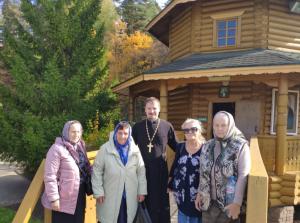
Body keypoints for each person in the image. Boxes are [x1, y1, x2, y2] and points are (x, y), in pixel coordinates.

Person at [195, 111, 251, 223]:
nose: (219, 128)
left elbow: (243, 175)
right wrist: (199, 193)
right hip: (208, 204)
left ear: (230, 125)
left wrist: (237, 203)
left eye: (223, 125)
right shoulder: (207, 145)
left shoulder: (240, 146)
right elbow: (203, 172)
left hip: (229, 205)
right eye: (216, 125)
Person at [132, 97, 178, 223]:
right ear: (145, 110)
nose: (151, 111)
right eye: (149, 109)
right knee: (145, 200)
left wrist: (173, 173)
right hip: (142, 171)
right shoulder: (137, 127)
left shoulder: (167, 126)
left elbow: (178, 149)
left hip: (160, 171)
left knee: (160, 202)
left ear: (159, 110)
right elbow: (128, 148)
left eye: (154, 108)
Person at [91, 121, 147, 223]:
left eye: (125, 133)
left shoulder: (135, 150)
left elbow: (141, 171)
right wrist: (98, 192)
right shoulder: (105, 149)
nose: (122, 136)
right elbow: (97, 171)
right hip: (110, 195)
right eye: (120, 133)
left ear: (129, 134)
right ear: (115, 132)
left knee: (127, 219)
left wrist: (141, 191)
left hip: (130, 196)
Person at [42, 120, 92, 223]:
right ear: (66, 132)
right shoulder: (56, 149)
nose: (76, 134)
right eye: (73, 131)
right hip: (64, 198)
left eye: (78, 131)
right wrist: (54, 198)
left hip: (79, 194)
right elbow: (50, 175)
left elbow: (85, 168)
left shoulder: (80, 147)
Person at [168, 119, 205, 223]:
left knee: (196, 217)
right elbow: (175, 166)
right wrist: (170, 183)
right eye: (186, 130)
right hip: (181, 192)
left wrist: (201, 192)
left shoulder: (206, 148)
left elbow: (208, 173)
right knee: (182, 216)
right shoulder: (180, 146)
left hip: (198, 192)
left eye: (193, 129)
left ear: (200, 130)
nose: (189, 132)